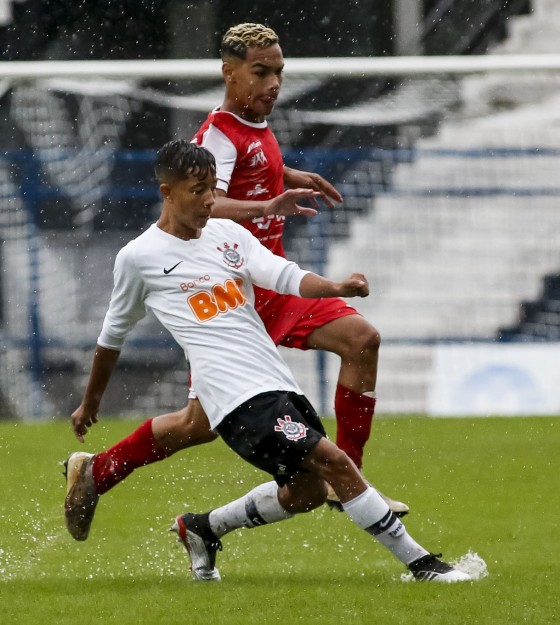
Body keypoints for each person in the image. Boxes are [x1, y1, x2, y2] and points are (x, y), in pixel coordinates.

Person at [63, 23, 405, 543]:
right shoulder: (218, 134)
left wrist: (285, 175)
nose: (273, 83)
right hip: (236, 296)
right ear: (230, 72)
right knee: (195, 426)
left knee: (360, 341)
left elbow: (248, 167)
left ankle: (348, 479)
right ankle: (98, 471)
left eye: (278, 73)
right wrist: (267, 204)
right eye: (260, 72)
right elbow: (208, 198)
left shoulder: (254, 124)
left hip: (273, 284)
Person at [69, 140, 468, 583]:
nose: (208, 200)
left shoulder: (228, 235)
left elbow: (285, 275)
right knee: (333, 463)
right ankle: (423, 565)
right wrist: (91, 403)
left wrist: (336, 286)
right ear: (167, 192)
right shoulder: (139, 258)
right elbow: (112, 338)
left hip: (275, 383)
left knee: (306, 492)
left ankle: (203, 528)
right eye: (197, 190)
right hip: (236, 400)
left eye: (211, 191)